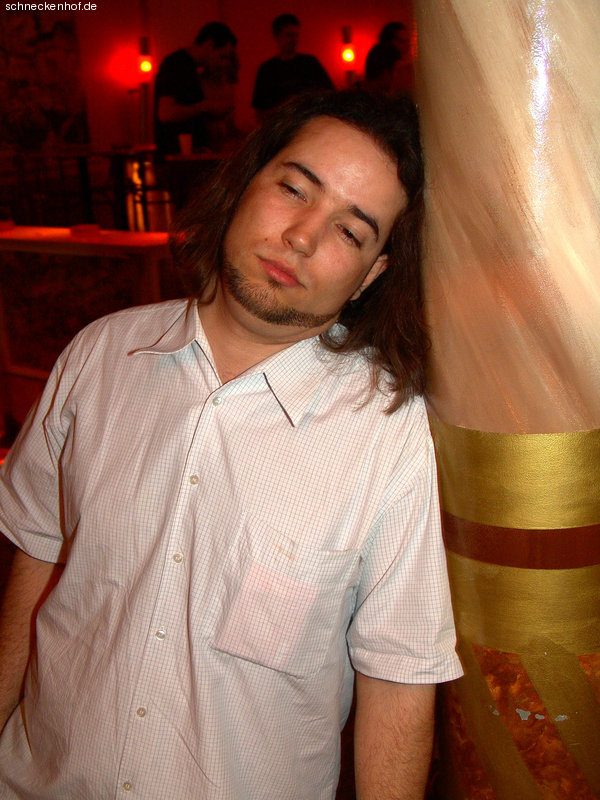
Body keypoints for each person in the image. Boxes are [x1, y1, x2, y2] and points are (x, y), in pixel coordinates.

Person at [0, 89, 462, 799]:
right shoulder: (99, 356)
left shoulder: (391, 432)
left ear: (372, 274)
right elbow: (35, 559)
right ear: (245, 181)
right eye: (294, 190)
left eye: (350, 232)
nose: (302, 237)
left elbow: (398, 680)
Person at [153, 22, 238, 160]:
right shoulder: (176, 64)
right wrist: (205, 107)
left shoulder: (190, 68)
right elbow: (165, 114)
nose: (221, 63)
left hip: (186, 157)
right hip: (176, 158)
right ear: (209, 45)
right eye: (222, 56)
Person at [252, 13, 334, 119]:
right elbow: (260, 111)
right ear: (276, 37)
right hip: (282, 124)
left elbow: (329, 95)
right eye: (289, 35)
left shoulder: (310, 63)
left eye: (296, 35)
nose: (294, 40)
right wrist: (285, 107)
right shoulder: (267, 70)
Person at [378, 21, 414, 96]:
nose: (407, 46)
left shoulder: (410, 67)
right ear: (388, 42)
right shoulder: (379, 65)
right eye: (401, 42)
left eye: (407, 41)